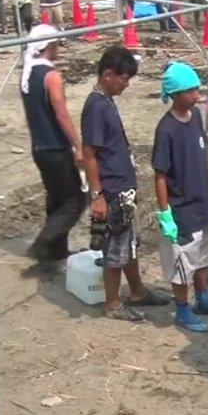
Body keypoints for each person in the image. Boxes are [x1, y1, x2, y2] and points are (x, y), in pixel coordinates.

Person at [82, 47, 169, 322]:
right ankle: (112, 302)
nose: (126, 84)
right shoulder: (96, 106)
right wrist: (98, 195)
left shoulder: (105, 100)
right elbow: (89, 153)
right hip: (111, 190)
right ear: (108, 75)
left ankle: (138, 290)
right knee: (115, 247)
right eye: (124, 78)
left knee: (128, 242)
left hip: (121, 186)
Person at [152, 62, 208, 333]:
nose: (196, 95)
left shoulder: (195, 116)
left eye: (197, 89)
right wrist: (165, 212)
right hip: (182, 206)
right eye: (190, 91)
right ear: (175, 94)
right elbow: (160, 174)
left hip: (203, 201)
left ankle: (203, 297)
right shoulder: (166, 129)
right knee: (182, 261)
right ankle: (183, 309)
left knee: (203, 254)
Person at [19, 24, 85, 262]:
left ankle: (56, 250)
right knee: (74, 200)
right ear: (49, 45)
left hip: (39, 147)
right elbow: (61, 113)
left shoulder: (27, 74)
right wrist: (78, 145)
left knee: (56, 198)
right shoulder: (51, 76)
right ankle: (44, 243)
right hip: (56, 147)